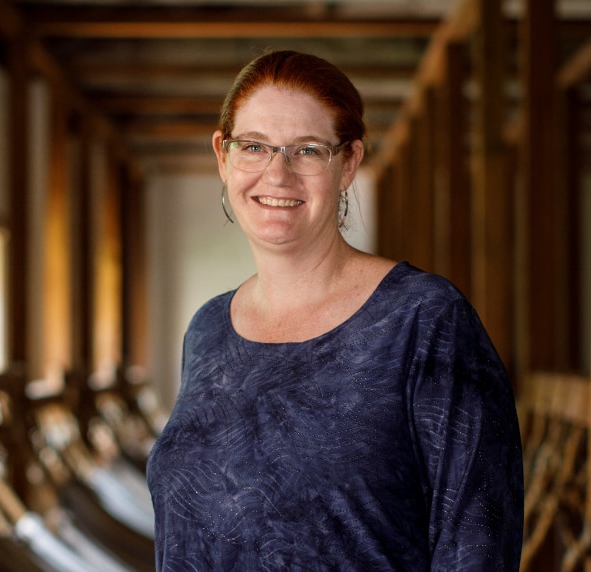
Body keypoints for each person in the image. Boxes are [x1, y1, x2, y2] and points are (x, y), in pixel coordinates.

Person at [146, 50, 523, 571]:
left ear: (348, 163)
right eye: (253, 146)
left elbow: (477, 548)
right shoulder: (208, 330)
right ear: (223, 156)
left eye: (306, 150)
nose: (277, 175)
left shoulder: (424, 320)